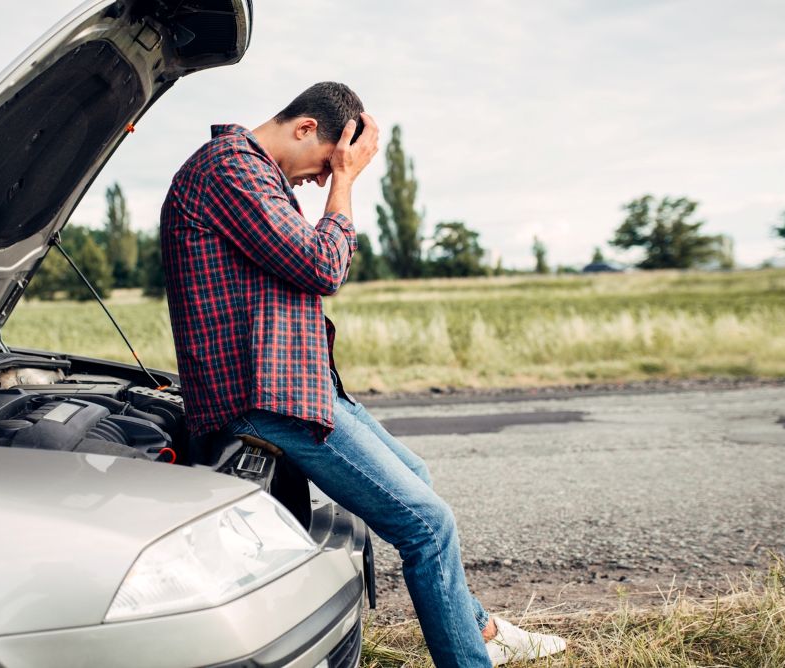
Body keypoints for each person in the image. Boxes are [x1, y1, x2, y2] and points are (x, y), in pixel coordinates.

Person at [160, 81, 566, 667]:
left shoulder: (249, 173)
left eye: (332, 174)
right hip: (267, 398)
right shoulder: (231, 168)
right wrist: (347, 184)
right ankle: (471, 656)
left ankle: (480, 632)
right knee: (428, 525)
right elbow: (321, 264)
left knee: (416, 476)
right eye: (326, 163)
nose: (323, 180)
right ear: (304, 128)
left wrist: (339, 173)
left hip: (299, 386)